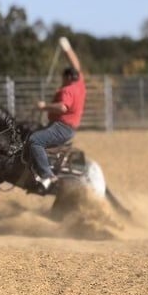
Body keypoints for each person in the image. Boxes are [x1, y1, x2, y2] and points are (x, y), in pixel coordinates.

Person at [26, 37, 86, 191]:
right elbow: (76, 64)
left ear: (66, 78)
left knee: (35, 140)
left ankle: (47, 175)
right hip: (66, 128)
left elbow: (63, 108)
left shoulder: (68, 89)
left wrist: (43, 106)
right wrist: (67, 48)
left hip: (61, 127)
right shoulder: (80, 84)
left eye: (62, 78)